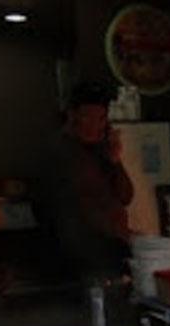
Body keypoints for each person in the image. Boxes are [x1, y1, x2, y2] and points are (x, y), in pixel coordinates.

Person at [51, 81, 135, 281]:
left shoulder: (102, 150)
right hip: (83, 253)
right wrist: (116, 234)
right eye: (88, 117)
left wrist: (115, 162)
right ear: (73, 116)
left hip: (112, 248)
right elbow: (79, 206)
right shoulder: (62, 152)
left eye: (101, 118)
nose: (95, 125)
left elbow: (126, 195)